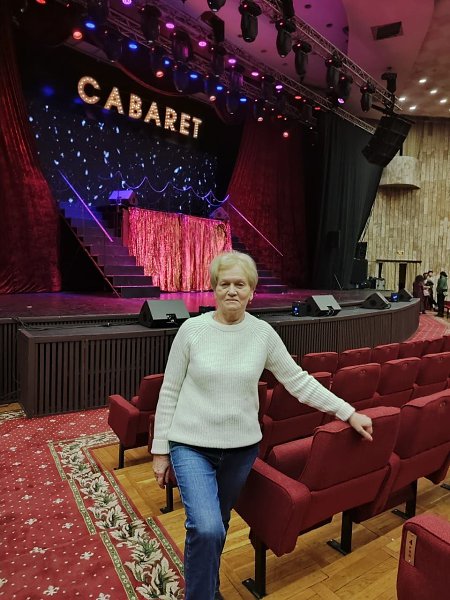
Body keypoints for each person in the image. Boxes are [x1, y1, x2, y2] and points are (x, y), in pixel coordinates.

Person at [151, 251, 373, 600]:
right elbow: (170, 390)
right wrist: (160, 451)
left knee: (218, 524)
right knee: (206, 528)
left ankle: (207, 587)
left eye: (240, 284)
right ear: (213, 289)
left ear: (252, 292)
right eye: (224, 284)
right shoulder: (191, 330)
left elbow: (298, 381)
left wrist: (347, 412)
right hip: (191, 445)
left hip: (240, 451)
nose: (232, 291)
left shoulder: (262, 334)